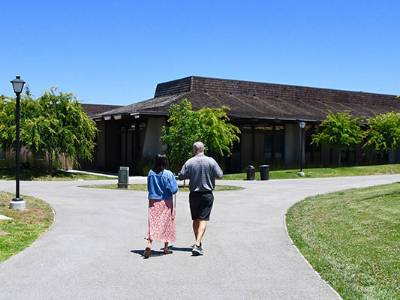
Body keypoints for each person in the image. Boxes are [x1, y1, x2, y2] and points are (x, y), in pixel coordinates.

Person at [179, 141, 223, 256]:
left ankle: (198, 243)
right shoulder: (211, 161)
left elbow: (181, 175)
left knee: (195, 219)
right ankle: (198, 243)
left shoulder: (189, 162)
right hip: (207, 194)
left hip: (194, 194)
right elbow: (220, 175)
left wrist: (191, 174)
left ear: (194, 150)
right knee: (203, 219)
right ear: (204, 149)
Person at [144, 154, 178, 259]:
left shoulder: (150, 173)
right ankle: (166, 248)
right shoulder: (168, 174)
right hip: (166, 202)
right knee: (167, 224)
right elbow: (174, 189)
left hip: (153, 201)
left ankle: (149, 244)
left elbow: (149, 187)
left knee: (153, 223)